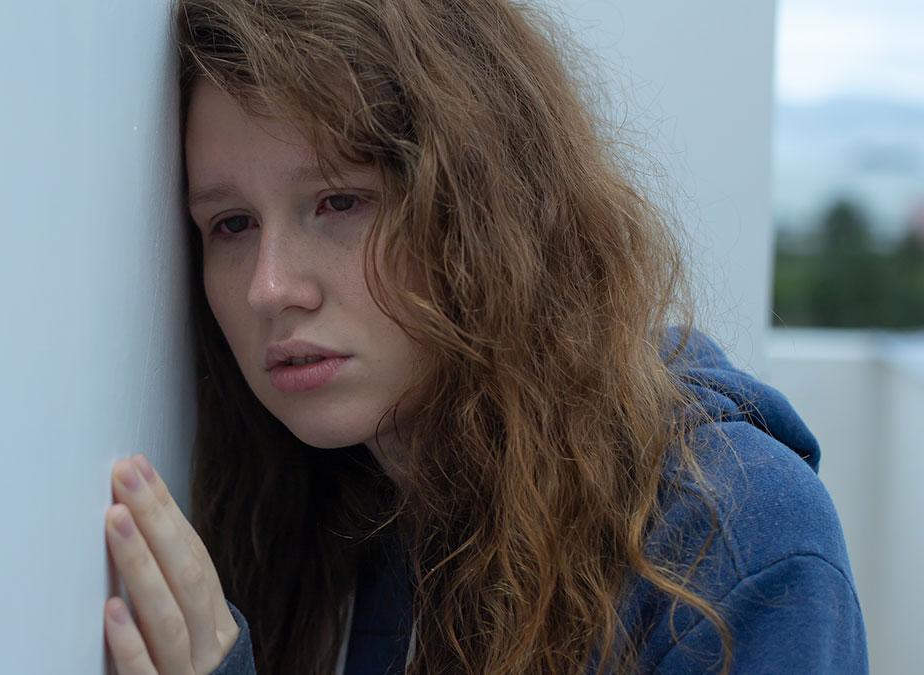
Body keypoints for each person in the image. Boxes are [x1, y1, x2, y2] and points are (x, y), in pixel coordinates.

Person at [101, 0, 868, 672]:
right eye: (231, 224)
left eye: (339, 202)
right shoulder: (326, 507)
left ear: (481, 211)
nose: (270, 287)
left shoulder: (736, 540)